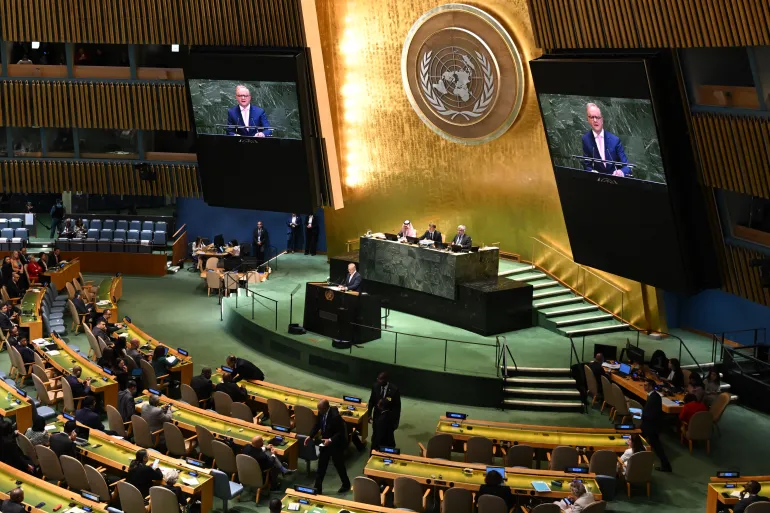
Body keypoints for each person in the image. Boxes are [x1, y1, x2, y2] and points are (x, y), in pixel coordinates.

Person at [305, 399, 350, 494]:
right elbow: (317, 425)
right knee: (321, 465)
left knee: (339, 465)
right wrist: (310, 436)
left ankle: (346, 485)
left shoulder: (335, 417)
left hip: (336, 444)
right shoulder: (321, 412)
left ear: (325, 408)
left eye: (320, 409)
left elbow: (340, 433)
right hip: (325, 443)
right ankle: (317, 488)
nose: (319, 411)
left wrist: (330, 440)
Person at [581, 103, 630, 177]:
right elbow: (587, 165)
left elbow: (627, 166)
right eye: (591, 117)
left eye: (597, 117)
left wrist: (621, 172)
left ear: (602, 119)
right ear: (588, 119)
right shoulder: (585, 139)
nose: (595, 120)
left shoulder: (615, 140)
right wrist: (590, 171)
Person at [641, 379, 672, 472]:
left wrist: (641, 414)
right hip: (649, 424)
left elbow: (652, 413)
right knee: (655, 446)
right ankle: (666, 465)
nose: (644, 386)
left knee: (657, 447)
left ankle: (666, 465)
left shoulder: (654, 397)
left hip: (651, 426)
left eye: (646, 385)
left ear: (650, 386)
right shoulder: (653, 396)